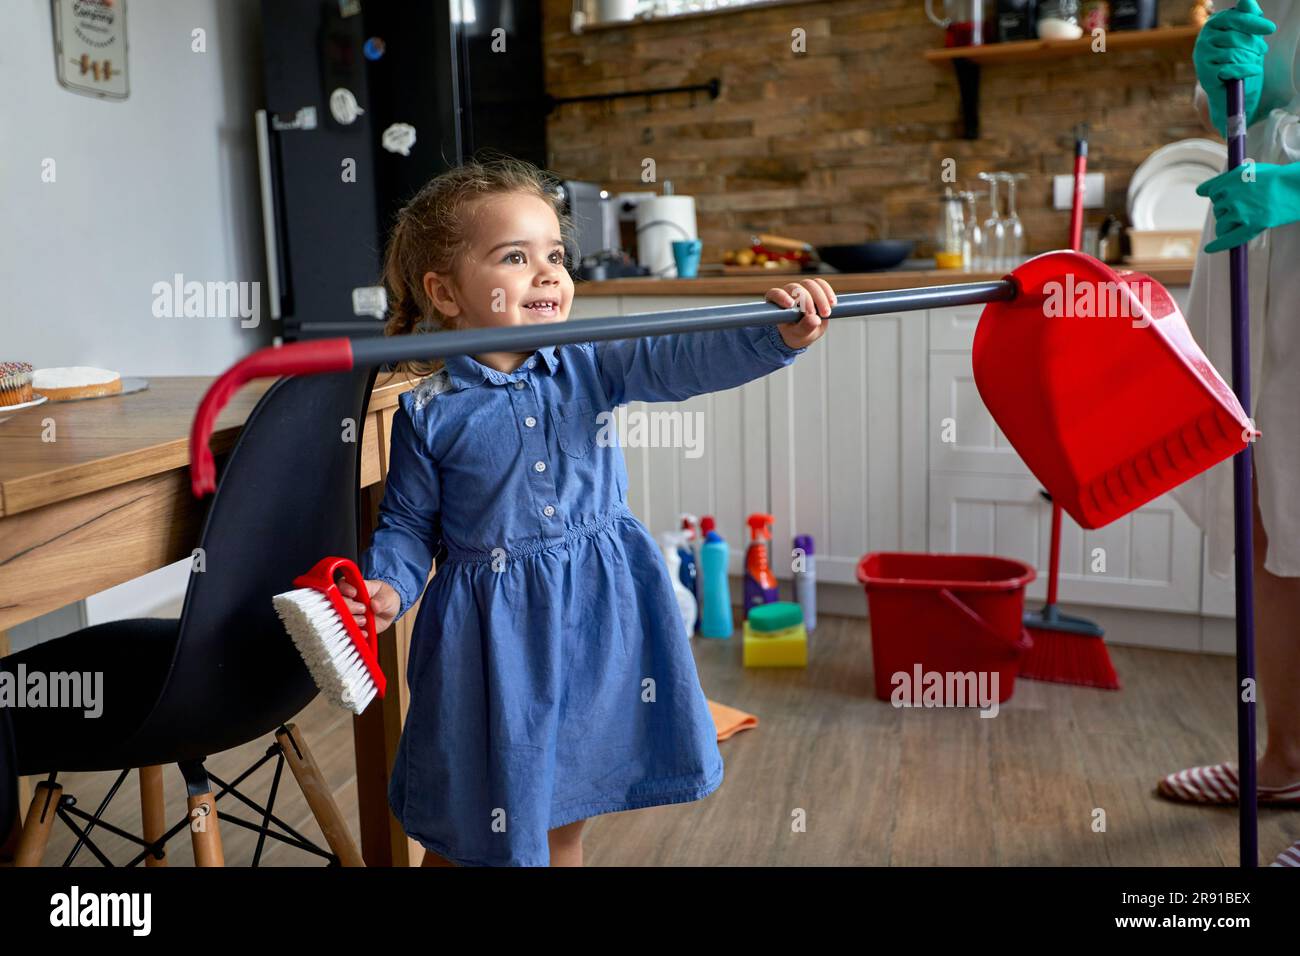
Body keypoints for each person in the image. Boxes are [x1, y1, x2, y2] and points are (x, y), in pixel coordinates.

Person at [335, 157, 834, 866]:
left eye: (555, 256)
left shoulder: (589, 360)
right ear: (444, 292)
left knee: (564, 811)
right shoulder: (428, 406)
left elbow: (679, 359)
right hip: (491, 642)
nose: (547, 274)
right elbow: (412, 526)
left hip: (597, 616)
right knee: (472, 823)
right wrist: (388, 582)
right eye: (515, 257)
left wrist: (775, 335)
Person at [1162, 0, 1300, 867]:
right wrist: (1226, 90)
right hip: (1251, 251)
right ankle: (1286, 761)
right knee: (1267, 513)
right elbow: (1250, 115)